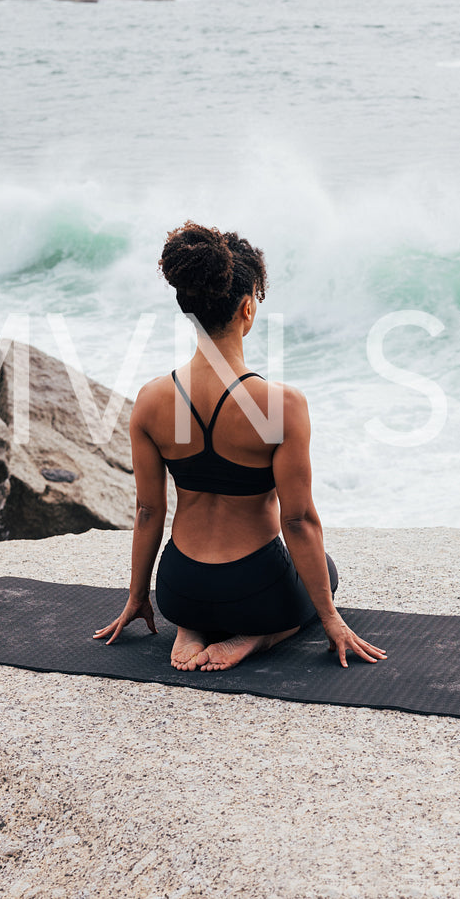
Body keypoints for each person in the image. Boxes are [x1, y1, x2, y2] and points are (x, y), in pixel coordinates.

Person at [93, 221, 388, 672]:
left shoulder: (151, 400)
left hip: (179, 589)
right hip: (256, 592)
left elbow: (147, 511)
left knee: (200, 598)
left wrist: (138, 598)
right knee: (325, 571)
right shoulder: (280, 406)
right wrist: (331, 620)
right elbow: (299, 519)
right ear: (247, 309)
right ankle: (258, 637)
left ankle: (192, 627)